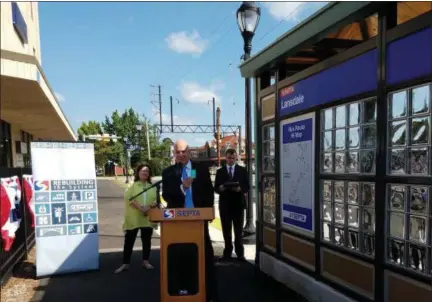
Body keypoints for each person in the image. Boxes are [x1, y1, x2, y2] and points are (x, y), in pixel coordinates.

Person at [162, 139, 218, 302]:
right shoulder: (169, 172)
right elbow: (167, 195)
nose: (181, 155)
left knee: (205, 257)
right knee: (181, 258)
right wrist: (183, 187)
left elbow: (208, 192)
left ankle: (210, 294)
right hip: (178, 224)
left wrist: (206, 213)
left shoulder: (199, 170)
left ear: (189, 152)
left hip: (199, 222)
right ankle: (182, 291)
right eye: (177, 152)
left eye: (183, 151)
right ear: (174, 153)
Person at [114, 164, 158, 274]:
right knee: (129, 240)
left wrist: (148, 207)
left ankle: (145, 261)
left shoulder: (152, 187)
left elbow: (156, 201)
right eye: (143, 171)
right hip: (134, 218)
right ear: (138, 173)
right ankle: (126, 263)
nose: (145, 173)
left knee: (147, 240)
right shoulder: (133, 186)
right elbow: (129, 198)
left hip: (147, 217)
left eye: (147, 171)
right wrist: (140, 208)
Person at [214, 148, 250, 262]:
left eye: (233, 157)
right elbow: (216, 188)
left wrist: (240, 189)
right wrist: (221, 188)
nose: (231, 160)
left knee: (238, 232)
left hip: (238, 205)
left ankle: (240, 254)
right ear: (226, 158)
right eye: (229, 158)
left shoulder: (242, 171)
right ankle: (227, 253)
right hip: (225, 206)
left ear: (236, 158)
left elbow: (247, 186)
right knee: (226, 231)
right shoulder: (220, 172)